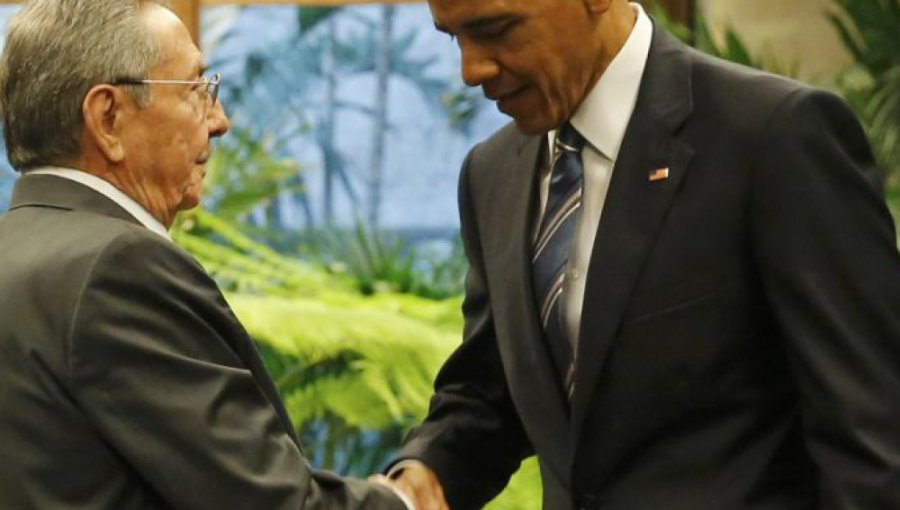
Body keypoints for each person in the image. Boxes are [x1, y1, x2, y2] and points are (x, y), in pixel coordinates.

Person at [386, 0, 900, 508]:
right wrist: (418, 479)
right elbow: (488, 396)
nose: (471, 70)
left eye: (496, 29)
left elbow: (871, 436)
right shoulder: (491, 174)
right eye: (453, 37)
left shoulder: (772, 135)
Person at [0, 1, 412, 508]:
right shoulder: (119, 268)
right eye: (197, 90)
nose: (220, 120)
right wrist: (408, 501)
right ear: (108, 117)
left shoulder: (16, 252)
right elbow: (265, 499)